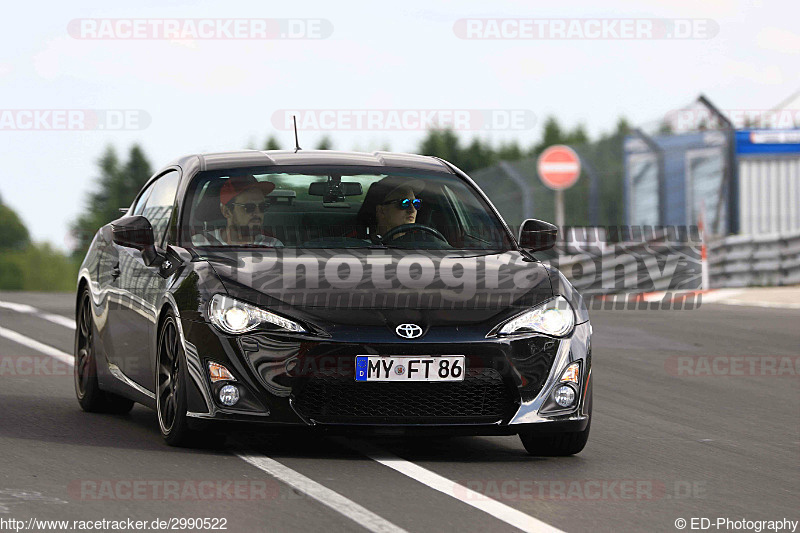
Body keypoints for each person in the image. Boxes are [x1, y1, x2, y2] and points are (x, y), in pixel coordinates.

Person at [192, 175, 284, 246]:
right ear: (226, 211)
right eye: (249, 207)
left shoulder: (273, 246)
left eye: (262, 207)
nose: (258, 213)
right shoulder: (200, 244)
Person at [363, 176, 426, 241]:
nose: (412, 210)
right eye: (404, 203)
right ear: (381, 211)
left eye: (416, 203)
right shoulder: (362, 248)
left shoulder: (424, 244)